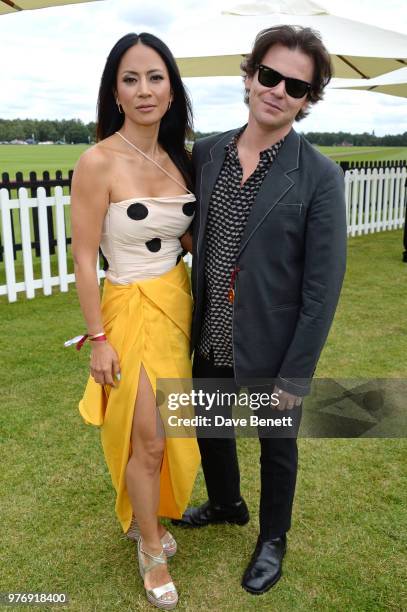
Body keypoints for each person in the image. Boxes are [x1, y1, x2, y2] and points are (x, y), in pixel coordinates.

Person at [174, 25, 347, 595]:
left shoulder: (319, 175)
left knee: (277, 443)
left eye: (295, 86)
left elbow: (323, 286)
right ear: (249, 77)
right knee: (212, 427)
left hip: (274, 340)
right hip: (210, 329)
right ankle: (227, 504)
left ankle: (273, 537)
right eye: (269, 76)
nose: (278, 91)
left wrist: (297, 372)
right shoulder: (208, 153)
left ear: (307, 99)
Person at [70, 32, 200, 610]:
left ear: (172, 89)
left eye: (155, 77)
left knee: (167, 431)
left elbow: (195, 239)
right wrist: (98, 339)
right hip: (128, 310)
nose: (144, 89)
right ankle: (150, 547)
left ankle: (144, 516)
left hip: (178, 310)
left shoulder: (183, 159)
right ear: (115, 93)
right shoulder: (97, 161)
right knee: (146, 437)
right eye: (130, 78)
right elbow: (82, 257)